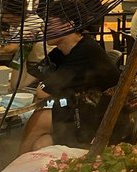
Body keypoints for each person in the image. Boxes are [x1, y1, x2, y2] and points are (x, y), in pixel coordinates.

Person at [19, 12, 119, 154]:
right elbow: (20, 83)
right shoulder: (61, 51)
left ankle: (14, 165)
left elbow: (42, 92)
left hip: (102, 123)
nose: (44, 29)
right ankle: (19, 165)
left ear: (69, 24)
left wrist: (44, 85)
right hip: (78, 112)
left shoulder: (85, 51)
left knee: (40, 119)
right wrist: (24, 49)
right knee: (39, 145)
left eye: (49, 23)